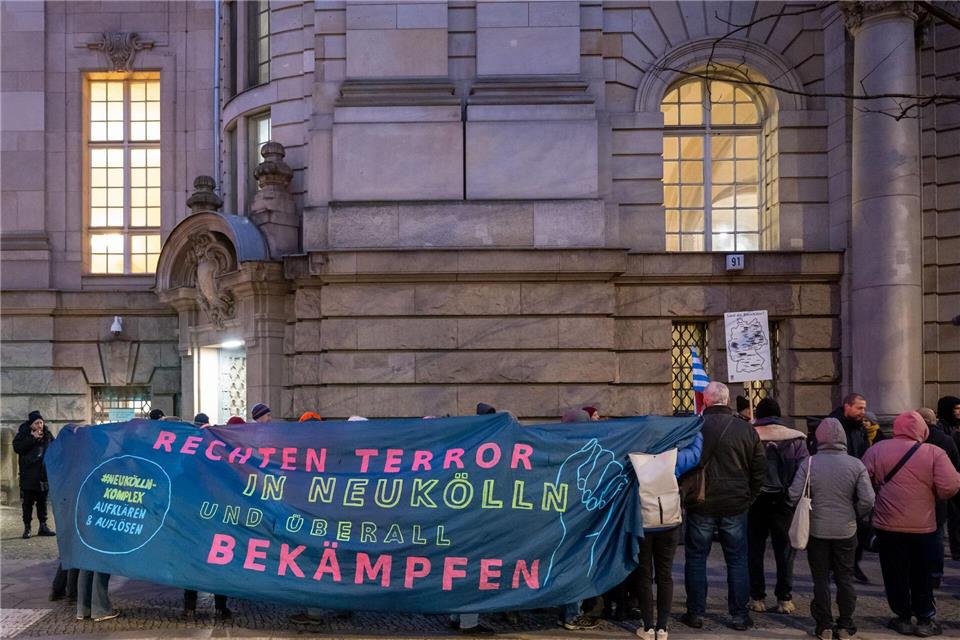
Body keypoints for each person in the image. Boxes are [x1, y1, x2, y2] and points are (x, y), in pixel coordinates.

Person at [862, 411, 960, 637]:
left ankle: (903, 615)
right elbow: (950, 486)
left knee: (894, 572)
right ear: (922, 430)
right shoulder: (934, 452)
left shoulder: (877, 450)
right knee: (921, 572)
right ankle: (925, 617)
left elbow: (863, 481)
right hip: (923, 524)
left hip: (888, 524)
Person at [682, 381, 766, 631]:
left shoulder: (693, 428)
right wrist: (748, 497)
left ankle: (695, 613)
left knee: (696, 558)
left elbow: (682, 464)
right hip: (735, 503)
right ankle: (739, 615)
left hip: (700, 502)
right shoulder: (746, 430)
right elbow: (759, 468)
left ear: (705, 401)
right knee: (737, 560)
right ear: (727, 401)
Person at [789, 418, 875, 640]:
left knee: (820, 578)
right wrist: (854, 513)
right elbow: (868, 499)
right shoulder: (856, 464)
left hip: (817, 528)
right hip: (846, 529)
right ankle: (845, 624)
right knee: (845, 578)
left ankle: (824, 625)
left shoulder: (809, 463)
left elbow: (793, 494)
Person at [634, 431, 703, 640]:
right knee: (665, 575)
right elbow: (696, 453)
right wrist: (696, 427)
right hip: (669, 523)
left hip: (644, 524)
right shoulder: (673, 459)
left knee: (644, 576)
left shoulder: (635, 461)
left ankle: (647, 627)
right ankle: (662, 628)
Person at [747, 397, 809, 615]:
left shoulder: (750, 436)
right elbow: (804, 472)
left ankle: (757, 597)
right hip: (784, 502)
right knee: (784, 552)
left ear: (760, 415)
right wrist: (791, 497)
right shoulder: (797, 439)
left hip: (755, 501)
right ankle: (784, 598)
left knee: (755, 549)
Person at [917, 407, 959, 588]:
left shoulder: (914, 440)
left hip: (918, 496)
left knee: (920, 536)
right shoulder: (946, 440)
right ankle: (936, 573)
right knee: (937, 536)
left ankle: (920, 570)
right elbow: (955, 466)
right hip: (939, 495)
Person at [13, 410, 56, 539]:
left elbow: (55, 447)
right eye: (37, 423)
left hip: (43, 475)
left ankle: (43, 526)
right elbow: (17, 448)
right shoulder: (23, 434)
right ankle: (27, 528)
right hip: (28, 476)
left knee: (42, 503)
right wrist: (32, 438)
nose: (39, 426)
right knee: (27, 504)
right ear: (31, 425)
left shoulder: (47, 435)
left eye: (41, 423)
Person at [936, 395, 960, 559]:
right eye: (956, 409)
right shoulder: (941, 430)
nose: (959, 412)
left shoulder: (955, 427)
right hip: (946, 478)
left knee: (957, 516)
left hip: (957, 476)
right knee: (947, 516)